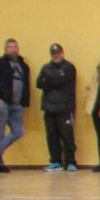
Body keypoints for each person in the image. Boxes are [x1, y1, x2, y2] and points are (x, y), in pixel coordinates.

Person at [0, 38, 29, 172]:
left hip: (17, 105)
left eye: (15, 47)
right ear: (5, 49)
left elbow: (26, 85)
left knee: (18, 131)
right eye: (10, 47)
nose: (13, 50)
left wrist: (24, 103)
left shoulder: (24, 66)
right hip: (1, 103)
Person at [36, 42, 79, 171]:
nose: (56, 55)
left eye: (58, 53)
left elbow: (60, 81)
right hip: (49, 107)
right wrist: (52, 80)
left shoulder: (69, 67)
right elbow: (39, 83)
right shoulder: (45, 68)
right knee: (52, 136)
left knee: (67, 136)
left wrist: (48, 80)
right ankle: (55, 161)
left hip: (65, 107)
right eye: (53, 53)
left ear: (62, 53)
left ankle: (70, 161)